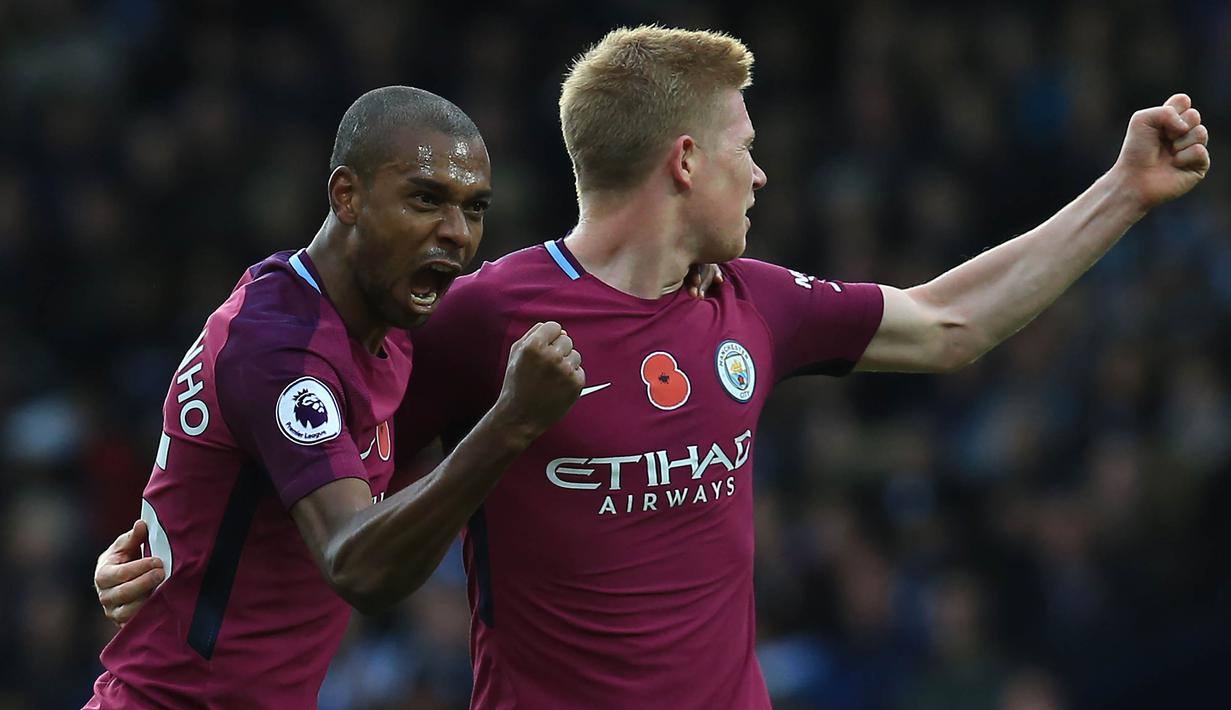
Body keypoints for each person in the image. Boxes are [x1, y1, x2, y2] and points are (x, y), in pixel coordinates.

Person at [96, 26, 1210, 710]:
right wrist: (174, 544)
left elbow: (951, 322)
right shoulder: (483, 322)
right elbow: (342, 501)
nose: (761, 174)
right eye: (744, 148)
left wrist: (1121, 191)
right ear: (686, 160)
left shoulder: (755, 304)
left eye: (466, 207)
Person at [85, 86, 587, 709]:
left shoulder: (389, 320)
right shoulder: (279, 349)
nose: (457, 233)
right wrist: (510, 424)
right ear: (346, 196)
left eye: (475, 207)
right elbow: (359, 565)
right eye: (426, 198)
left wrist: (680, 270)